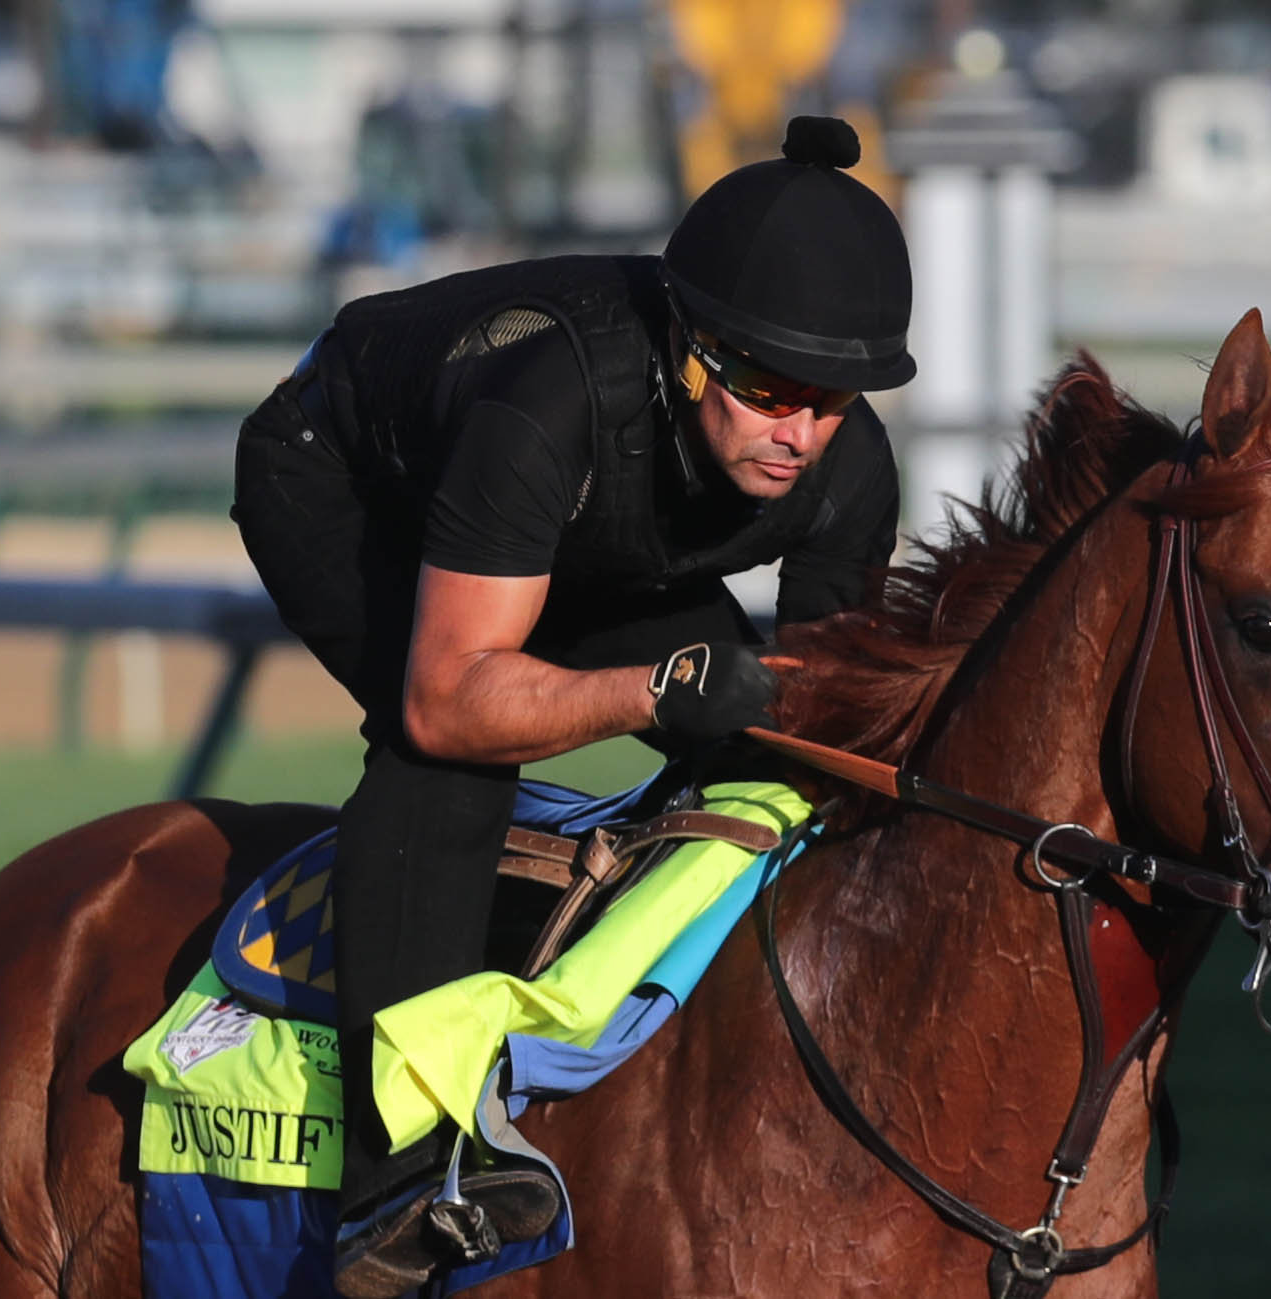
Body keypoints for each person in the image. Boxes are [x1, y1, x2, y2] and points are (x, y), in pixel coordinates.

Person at [230, 115, 912, 1299]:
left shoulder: (845, 468)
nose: (798, 432)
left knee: (760, 738)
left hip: (585, 530)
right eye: (764, 388)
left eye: (831, 398)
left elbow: (816, 724)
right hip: (351, 485)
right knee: (449, 751)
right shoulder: (550, 397)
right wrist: (649, 690)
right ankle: (397, 1174)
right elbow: (451, 702)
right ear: (691, 349)